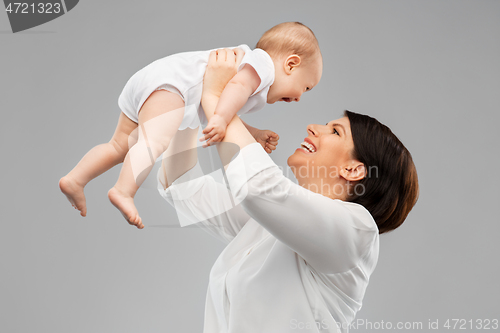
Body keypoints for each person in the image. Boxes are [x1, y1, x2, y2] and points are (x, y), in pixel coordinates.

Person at [158, 49, 419, 332]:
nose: (314, 127)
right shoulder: (271, 228)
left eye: (335, 132)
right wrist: (193, 96)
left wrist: (216, 98)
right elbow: (182, 185)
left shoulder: (357, 232)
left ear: (354, 170)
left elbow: (259, 187)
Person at [59, 22, 323, 229]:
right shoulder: (263, 65)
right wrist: (219, 119)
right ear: (291, 64)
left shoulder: (252, 78)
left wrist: (253, 133)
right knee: (154, 142)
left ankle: (75, 179)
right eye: (306, 87)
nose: (299, 97)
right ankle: (123, 191)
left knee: (118, 146)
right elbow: (234, 90)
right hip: (173, 86)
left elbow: (221, 102)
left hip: (151, 80)